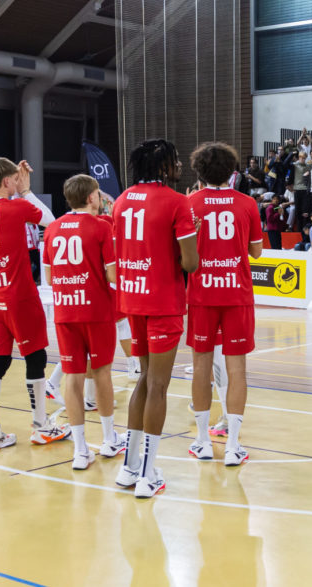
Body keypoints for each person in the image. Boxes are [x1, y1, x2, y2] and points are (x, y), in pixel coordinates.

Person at [113, 139, 199, 498]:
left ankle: (129, 468)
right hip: (163, 301)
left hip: (133, 300)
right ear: (163, 166)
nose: (180, 166)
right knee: (159, 386)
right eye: (175, 161)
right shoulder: (177, 202)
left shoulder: (121, 200)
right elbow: (191, 262)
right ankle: (148, 475)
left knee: (145, 380)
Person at [0, 158, 67, 452]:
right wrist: (26, 191)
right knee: (36, 358)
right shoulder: (16, 206)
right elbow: (51, 221)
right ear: (7, 182)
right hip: (20, 296)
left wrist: (17, 184)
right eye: (15, 178)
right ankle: (41, 426)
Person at [185, 143, 262, 467]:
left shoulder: (189, 203)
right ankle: (232, 445)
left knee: (201, 369)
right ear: (232, 172)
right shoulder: (247, 203)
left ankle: (202, 441)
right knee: (237, 370)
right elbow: (256, 252)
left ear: (199, 173)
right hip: (236, 295)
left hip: (202, 295)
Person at [41, 175, 125, 470]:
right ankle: (108, 439)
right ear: (91, 198)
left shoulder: (52, 229)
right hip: (96, 312)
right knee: (102, 374)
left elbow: (49, 277)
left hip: (65, 312)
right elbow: (113, 275)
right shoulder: (101, 227)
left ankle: (80, 450)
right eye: (99, 194)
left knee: (73, 378)